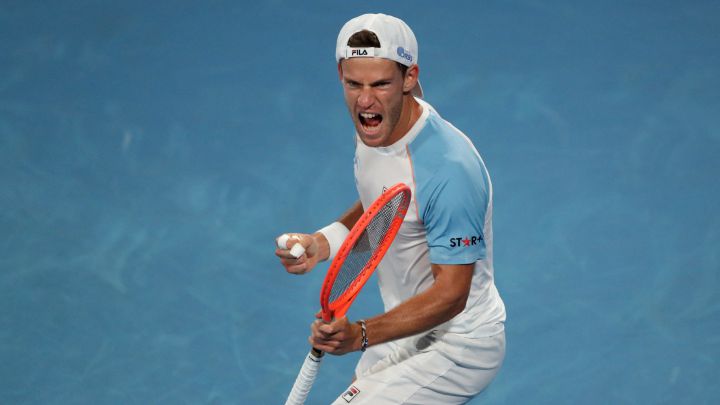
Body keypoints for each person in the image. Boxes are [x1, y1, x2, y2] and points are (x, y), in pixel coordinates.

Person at [275, 13, 506, 404]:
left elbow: (452, 295)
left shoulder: (450, 171)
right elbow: (383, 208)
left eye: (381, 84)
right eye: (354, 84)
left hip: (459, 345)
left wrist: (361, 335)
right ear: (340, 75)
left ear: (410, 78)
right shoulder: (373, 125)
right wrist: (322, 242)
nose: (365, 100)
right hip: (403, 326)